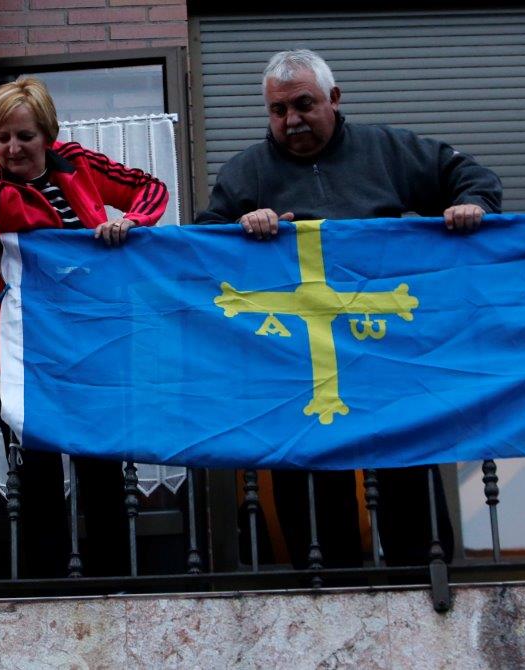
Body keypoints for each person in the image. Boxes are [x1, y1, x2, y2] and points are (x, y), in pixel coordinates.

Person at [195, 49, 503, 569]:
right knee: (312, 495)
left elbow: (472, 178)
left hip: (385, 356)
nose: (291, 120)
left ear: (335, 99)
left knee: (408, 481)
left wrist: (470, 206)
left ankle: (428, 588)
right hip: (298, 369)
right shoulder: (246, 171)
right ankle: (325, 593)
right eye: (277, 111)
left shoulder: (386, 149)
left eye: (303, 104)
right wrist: (243, 230)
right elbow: (205, 246)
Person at [0, 76, 168, 577]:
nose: (12, 148)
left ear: (47, 135)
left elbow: (150, 188)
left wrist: (133, 223)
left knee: (100, 461)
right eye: (1, 137)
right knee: (38, 472)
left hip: (91, 341)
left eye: (24, 136)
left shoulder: (80, 163)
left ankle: (112, 582)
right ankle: (47, 585)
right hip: (18, 350)